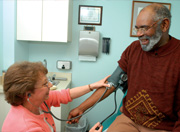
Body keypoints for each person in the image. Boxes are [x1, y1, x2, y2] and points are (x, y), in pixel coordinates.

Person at [67, 3, 180, 132]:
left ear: (164, 25)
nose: (138, 34)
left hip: (163, 127)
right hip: (129, 120)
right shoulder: (133, 49)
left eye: (144, 28)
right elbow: (111, 83)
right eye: (137, 29)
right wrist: (81, 108)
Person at [2, 61, 108, 132]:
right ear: (27, 94)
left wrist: (92, 86)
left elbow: (65, 95)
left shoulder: (38, 102)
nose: (50, 85)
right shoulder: (27, 127)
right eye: (44, 84)